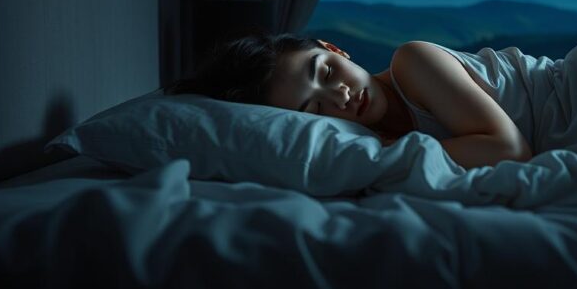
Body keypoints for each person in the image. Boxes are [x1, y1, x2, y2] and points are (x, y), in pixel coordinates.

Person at [164, 33, 533, 169]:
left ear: (335, 49)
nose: (339, 96)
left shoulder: (414, 61)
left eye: (326, 72)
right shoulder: (357, 139)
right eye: (314, 108)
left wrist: (391, 150)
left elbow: (511, 151)